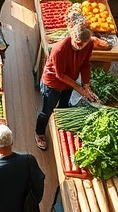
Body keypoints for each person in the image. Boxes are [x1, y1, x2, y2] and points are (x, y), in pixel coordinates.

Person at [35, 21, 97, 151]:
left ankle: (62, 134)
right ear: (72, 35)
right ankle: (39, 133)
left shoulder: (89, 44)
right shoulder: (59, 49)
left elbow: (85, 64)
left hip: (69, 82)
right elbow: (60, 75)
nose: (79, 46)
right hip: (53, 83)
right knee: (47, 110)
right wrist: (78, 88)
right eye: (77, 42)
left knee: (64, 107)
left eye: (83, 44)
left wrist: (86, 85)